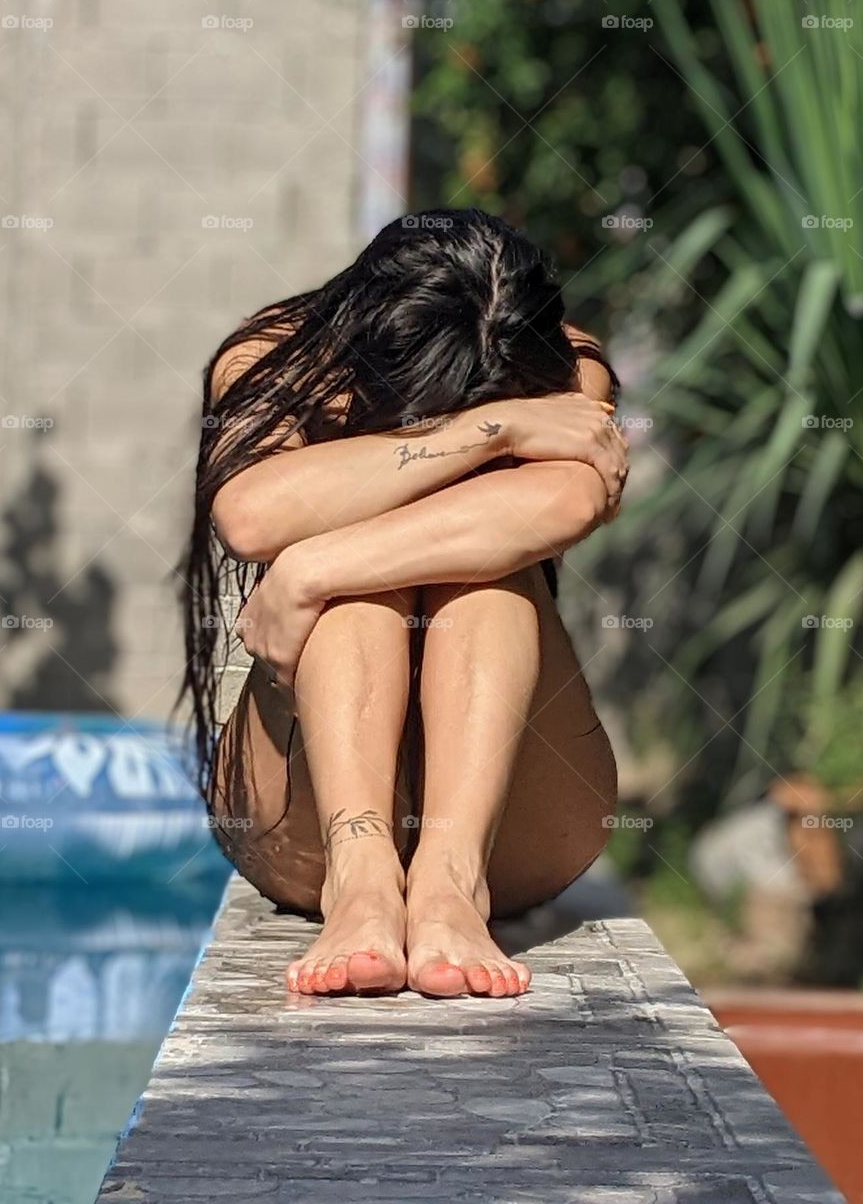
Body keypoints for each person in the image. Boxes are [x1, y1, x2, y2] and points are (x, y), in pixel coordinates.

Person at [177, 208, 629, 998]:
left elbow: (566, 499)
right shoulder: (275, 358)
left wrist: (311, 569)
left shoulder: (566, 363)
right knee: (371, 586)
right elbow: (249, 514)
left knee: (490, 575)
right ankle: (361, 881)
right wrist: (494, 430)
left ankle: (453, 884)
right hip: (303, 820)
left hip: (515, 827)